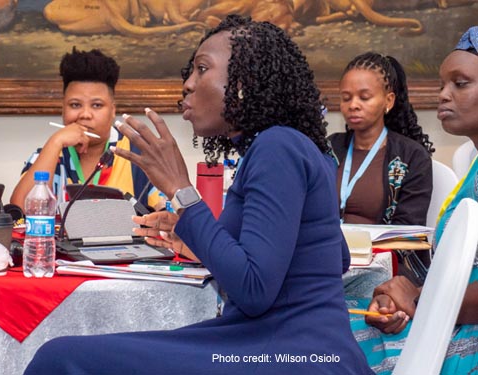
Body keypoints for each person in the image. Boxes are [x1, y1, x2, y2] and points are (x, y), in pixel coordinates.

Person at [25, 15, 373, 374]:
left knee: (59, 359)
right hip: (279, 344)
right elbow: (331, 257)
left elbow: (254, 290)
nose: (188, 85)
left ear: (243, 82)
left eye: (201, 69)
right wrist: (193, 237)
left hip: (292, 354)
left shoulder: (277, 147)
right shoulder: (279, 145)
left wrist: (181, 190)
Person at [350, 26, 478, 374]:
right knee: (326, 327)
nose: (444, 95)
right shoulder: (472, 167)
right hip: (443, 311)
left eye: (460, 83)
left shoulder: (410, 156)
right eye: (441, 85)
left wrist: (420, 300)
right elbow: (443, 261)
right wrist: (397, 295)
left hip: (463, 328)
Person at [10, 48, 161, 211]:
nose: (85, 114)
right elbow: (19, 213)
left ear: (112, 111)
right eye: (75, 105)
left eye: (97, 105)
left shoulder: (139, 154)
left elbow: (170, 215)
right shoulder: (47, 154)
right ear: (63, 110)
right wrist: (56, 142)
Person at [329, 52, 434, 226]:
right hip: (329, 249)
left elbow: (407, 229)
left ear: (389, 100)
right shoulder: (329, 146)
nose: (353, 105)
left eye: (364, 97)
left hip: (381, 251)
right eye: (346, 98)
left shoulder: (412, 156)